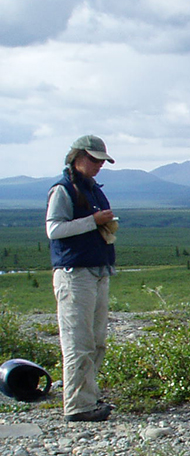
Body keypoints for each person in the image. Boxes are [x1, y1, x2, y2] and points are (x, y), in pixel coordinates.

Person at [47, 135, 118, 422]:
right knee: (78, 342)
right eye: (93, 159)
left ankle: (88, 396)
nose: (98, 165)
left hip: (97, 271)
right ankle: (77, 405)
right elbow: (54, 229)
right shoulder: (63, 190)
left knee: (96, 340)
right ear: (77, 157)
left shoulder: (91, 190)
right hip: (74, 274)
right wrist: (93, 222)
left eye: (101, 160)